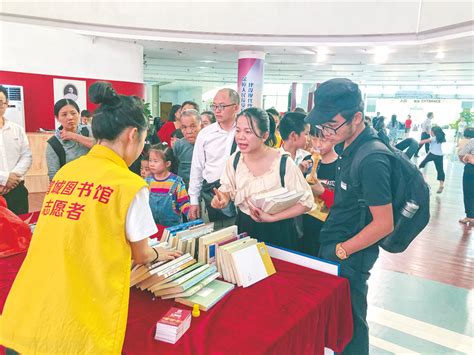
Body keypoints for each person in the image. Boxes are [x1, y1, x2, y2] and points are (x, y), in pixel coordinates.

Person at [0, 81, 181, 354]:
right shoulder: (129, 185)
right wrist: (159, 254)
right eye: (144, 141)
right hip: (74, 322)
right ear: (133, 134)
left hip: (27, 310)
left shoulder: (67, 173)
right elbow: (142, 255)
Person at [305, 78, 395, 355]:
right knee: (339, 323)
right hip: (338, 244)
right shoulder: (350, 147)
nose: (326, 132)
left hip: (351, 254)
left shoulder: (372, 158)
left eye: (332, 125)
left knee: (351, 327)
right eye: (322, 125)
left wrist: (342, 251)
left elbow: (384, 223)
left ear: (357, 118)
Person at [211, 107, 313, 249]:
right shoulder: (235, 160)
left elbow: (306, 202)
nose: (240, 137)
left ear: (264, 136)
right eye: (238, 130)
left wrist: (272, 217)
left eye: (248, 132)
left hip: (279, 229)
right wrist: (222, 198)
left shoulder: (283, 162)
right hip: (245, 226)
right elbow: (227, 189)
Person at [188, 88, 240, 227]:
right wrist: (194, 200)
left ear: (236, 107)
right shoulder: (206, 134)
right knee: (214, 238)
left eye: (222, 106)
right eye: (214, 106)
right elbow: (197, 168)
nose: (217, 110)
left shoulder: (244, 132)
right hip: (211, 195)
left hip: (239, 197)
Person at [302, 128, 338, 256]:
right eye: (314, 138)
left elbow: (343, 204)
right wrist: (299, 172)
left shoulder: (341, 165)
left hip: (328, 231)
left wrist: (322, 191)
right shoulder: (308, 161)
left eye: (323, 140)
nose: (317, 144)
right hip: (304, 226)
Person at [0, 85, 32, 215]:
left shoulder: (17, 129)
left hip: (16, 190)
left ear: (6, 104)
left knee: (20, 230)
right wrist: (4, 178)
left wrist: (12, 179)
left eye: (0, 102)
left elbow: (26, 156)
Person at [46, 99, 95, 180]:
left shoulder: (89, 130)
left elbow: (102, 147)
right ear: (57, 118)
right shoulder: (53, 143)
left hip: (96, 183)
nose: (70, 117)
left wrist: (74, 136)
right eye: (64, 115)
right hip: (72, 186)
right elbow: (53, 176)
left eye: (73, 113)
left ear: (79, 114)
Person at [146, 143, 190, 227]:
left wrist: (190, 214)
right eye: (150, 160)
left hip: (172, 228)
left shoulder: (176, 182)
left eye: (155, 161)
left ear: (167, 164)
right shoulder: (147, 181)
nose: (151, 164)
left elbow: (184, 203)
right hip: (152, 228)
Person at [173, 109, 202, 188]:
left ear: (201, 126)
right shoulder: (178, 145)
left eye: (193, 126)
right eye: (184, 127)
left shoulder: (209, 145)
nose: (189, 131)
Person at [418, 126, 446, 193]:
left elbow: (424, 141)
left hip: (432, 154)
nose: (430, 132)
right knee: (440, 170)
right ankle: (441, 185)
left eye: (431, 131)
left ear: (434, 132)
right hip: (440, 156)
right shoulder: (440, 138)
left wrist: (418, 142)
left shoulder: (434, 138)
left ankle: (413, 174)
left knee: (422, 164)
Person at [458, 127, 474, 224]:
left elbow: (461, 153)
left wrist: (467, 159)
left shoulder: (472, 141)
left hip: (471, 169)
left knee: (468, 192)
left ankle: (470, 216)